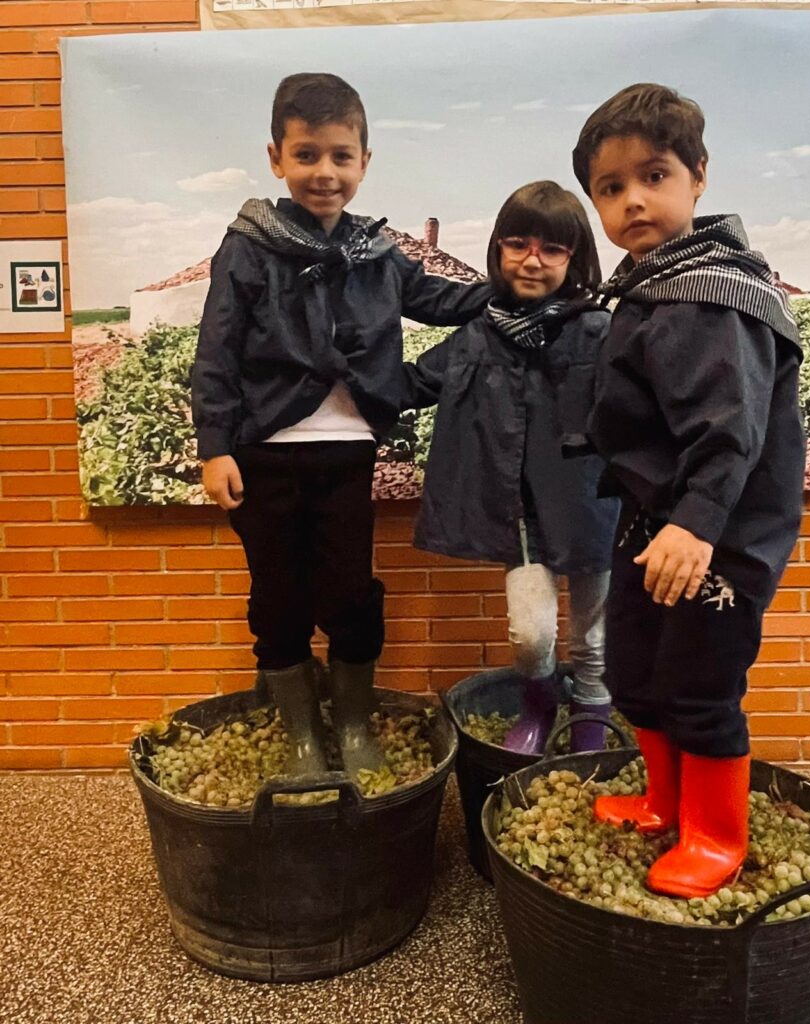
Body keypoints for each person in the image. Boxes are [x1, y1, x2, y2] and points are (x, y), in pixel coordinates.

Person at [191, 72, 489, 776]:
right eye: (306, 155)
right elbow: (217, 351)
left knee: (351, 595)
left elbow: (447, 301)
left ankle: (353, 728)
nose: (324, 172)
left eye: (340, 156)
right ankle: (301, 740)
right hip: (264, 456)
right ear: (276, 158)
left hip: (347, 455)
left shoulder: (379, 254)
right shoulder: (249, 246)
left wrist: (521, 289)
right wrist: (214, 446)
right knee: (278, 599)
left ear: (364, 161)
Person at [571, 83, 806, 896]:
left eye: (654, 175)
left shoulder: (712, 291)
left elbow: (729, 429)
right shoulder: (651, 282)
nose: (633, 199)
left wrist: (698, 524)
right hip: (656, 521)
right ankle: (665, 800)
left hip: (720, 532)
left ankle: (715, 835)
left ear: (697, 178)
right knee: (637, 668)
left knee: (701, 683)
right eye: (609, 187)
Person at [400, 181, 619, 754]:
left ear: (575, 258)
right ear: (497, 249)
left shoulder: (599, 331)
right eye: (517, 244)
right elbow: (413, 382)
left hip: (595, 505)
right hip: (521, 516)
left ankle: (592, 717)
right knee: (531, 633)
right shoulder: (480, 332)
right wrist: (331, 376)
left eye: (551, 249)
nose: (531, 260)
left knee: (593, 634)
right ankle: (540, 702)